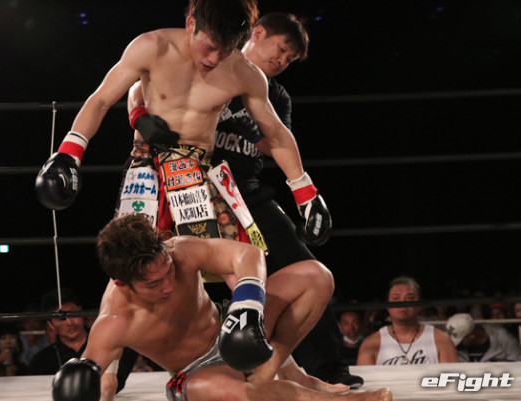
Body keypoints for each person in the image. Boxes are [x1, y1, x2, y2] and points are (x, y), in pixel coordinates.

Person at [122, 11, 358, 387]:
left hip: (244, 190)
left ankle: (326, 367)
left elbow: (277, 141)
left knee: (295, 258)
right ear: (258, 33)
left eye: (290, 58)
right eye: (281, 49)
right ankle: (109, 366)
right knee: (143, 260)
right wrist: (138, 116)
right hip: (185, 181)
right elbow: (141, 84)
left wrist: (302, 189)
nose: (283, 60)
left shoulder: (272, 92)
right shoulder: (207, 59)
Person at [35, 0, 331, 256]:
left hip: (198, 175)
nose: (214, 59)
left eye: (225, 51)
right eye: (210, 46)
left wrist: (306, 195)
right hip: (148, 169)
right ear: (191, 24)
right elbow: (101, 100)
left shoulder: (245, 73)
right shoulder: (153, 46)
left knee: (237, 263)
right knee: (133, 264)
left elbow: (277, 135)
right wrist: (68, 154)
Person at [51, 214, 392, 401]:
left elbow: (246, 255)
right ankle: (330, 400)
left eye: (168, 272)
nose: (168, 286)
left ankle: (273, 367)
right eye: (153, 285)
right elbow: (93, 378)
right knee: (234, 394)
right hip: (197, 373)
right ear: (123, 284)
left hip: (233, 329)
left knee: (316, 276)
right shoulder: (115, 321)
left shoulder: (181, 251)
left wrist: (247, 307)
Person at [356, 276, 458, 365]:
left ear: (420, 305)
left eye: (409, 298)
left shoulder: (441, 340)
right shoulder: (371, 344)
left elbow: (452, 378)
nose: (402, 303)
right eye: (396, 298)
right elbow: (364, 381)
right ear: (387, 305)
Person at [28, 288, 90, 375]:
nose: (70, 323)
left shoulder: (105, 346)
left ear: (81, 311)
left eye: (72, 313)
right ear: (50, 325)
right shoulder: (42, 360)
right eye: (60, 318)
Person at [446, 313, 521, 362]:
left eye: (461, 340)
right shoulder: (454, 347)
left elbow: (517, 362)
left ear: (472, 336)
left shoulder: (501, 337)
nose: (457, 344)